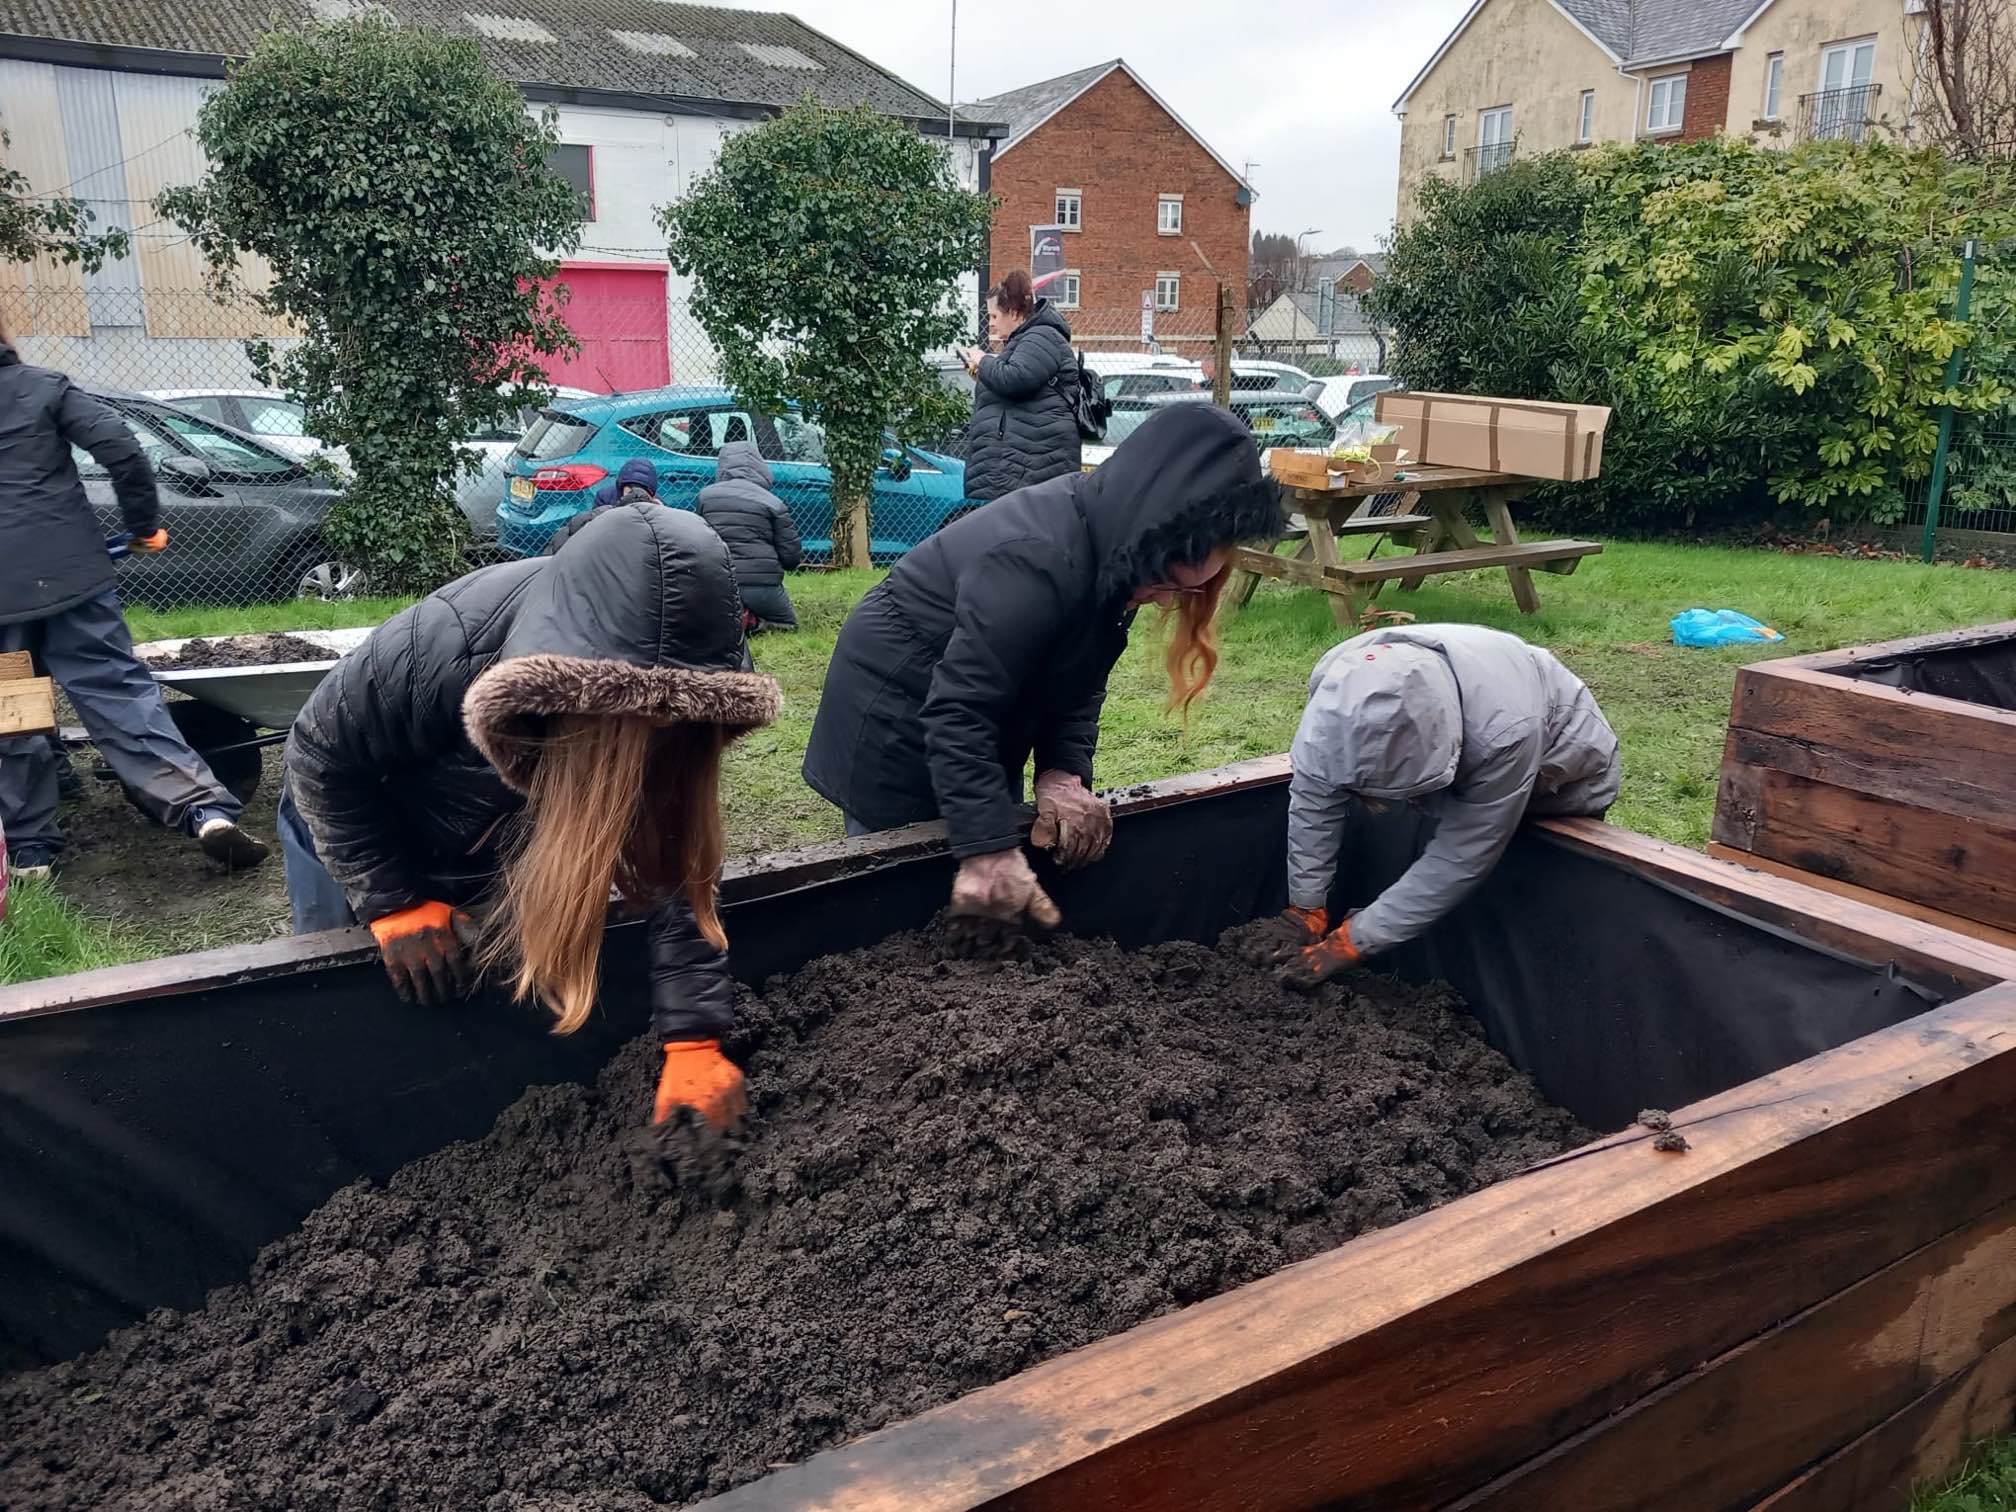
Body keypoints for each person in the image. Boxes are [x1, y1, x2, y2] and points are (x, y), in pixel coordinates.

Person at [280, 503, 781, 1128]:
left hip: (487, 820)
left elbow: (675, 851)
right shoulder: (451, 638)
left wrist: (694, 1042)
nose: (654, 739)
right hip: (358, 818)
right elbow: (319, 754)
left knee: (476, 969)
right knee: (371, 995)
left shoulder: (694, 690)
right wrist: (388, 899)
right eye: (633, 727)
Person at [803, 404, 1283, 938]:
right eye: (1161, 579)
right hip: (898, 703)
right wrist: (986, 849)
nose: (1160, 599)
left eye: (1183, 590)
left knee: (984, 833)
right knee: (908, 880)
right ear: (1145, 524)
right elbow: (960, 710)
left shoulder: (1119, 559)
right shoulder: (1037, 558)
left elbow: (1079, 679)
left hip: (978, 704)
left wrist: (1062, 771)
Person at [0, 316, 268, 880]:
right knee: (119, 696)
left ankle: (31, 853)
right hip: (73, 578)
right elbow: (121, 448)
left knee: (14, 710)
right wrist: (143, 523)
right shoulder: (45, 387)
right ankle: (204, 812)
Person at [1256, 625, 1621, 989]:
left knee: (1521, 905)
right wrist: (1307, 906)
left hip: (1559, 779)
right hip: (1464, 746)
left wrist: (1351, 941)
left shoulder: (1505, 733)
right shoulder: (1342, 680)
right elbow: (1316, 792)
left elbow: (1460, 855)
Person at [960, 269, 1082, 502]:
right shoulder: (1026, 341)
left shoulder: (1041, 337)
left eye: (994, 316)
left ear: (1014, 313)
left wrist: (982, 360)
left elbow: (1016, 378)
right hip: (1014, 475)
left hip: (1025, 475)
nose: (991, 325)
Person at [696, 441, 802, 632]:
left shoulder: (705, 497)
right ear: (760, 466)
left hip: (717, 581)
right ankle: (753, 623)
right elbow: (791, 557)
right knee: (789, 626)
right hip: (761, 585)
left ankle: (730, 620)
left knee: (705, 624)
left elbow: (697, 539)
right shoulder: (774, 503)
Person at [544, 458, 660, 554]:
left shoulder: (658, 508)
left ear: (650, 494)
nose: (634, 496)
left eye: (641, 491)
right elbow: (593, 528)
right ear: (621, 487)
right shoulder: (605, 497)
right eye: (629, 490)